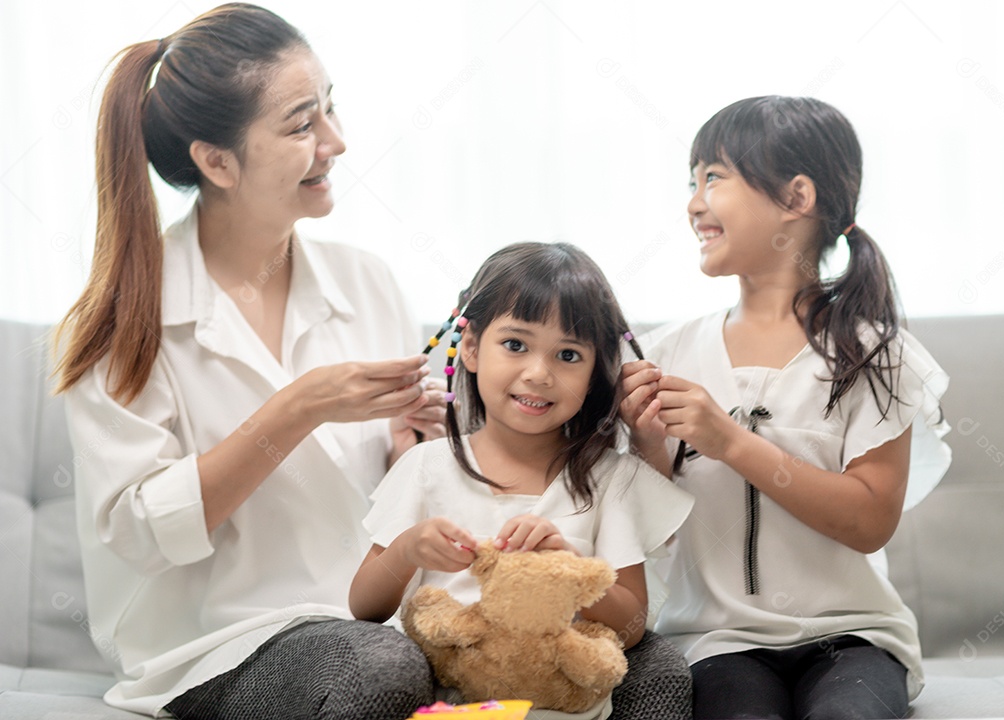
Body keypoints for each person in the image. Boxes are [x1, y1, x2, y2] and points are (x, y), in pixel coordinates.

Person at [52, 4, 445, 718]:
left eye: (330, 108)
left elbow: (396, 496)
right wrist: (299, 408)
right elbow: (142, 535)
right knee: (379, 670)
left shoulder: (367, 281)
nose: (336, 142)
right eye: (301, 125)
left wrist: (413, 450)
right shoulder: (121, 321)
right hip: (223, 645)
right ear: (217, 161)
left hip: (372, 616)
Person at [620, 96, 952, 720]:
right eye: (691, 183)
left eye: (713, 178)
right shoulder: (665, 354)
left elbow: (870, 521)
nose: (693, 204)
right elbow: (646, 537)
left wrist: (732, 443)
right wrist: (647, 447)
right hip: (718, 641)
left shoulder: (875, 354)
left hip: (853, 637)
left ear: (797, 197)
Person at [349, 242, 697, 720]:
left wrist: (570, 568)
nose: (539, 374)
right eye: (515, 345)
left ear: (595, 373)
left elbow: (632, 625)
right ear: (472, 348)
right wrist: (407, 549)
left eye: (568, 355)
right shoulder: (426, 467)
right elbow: (364, 607)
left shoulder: (611, 479)